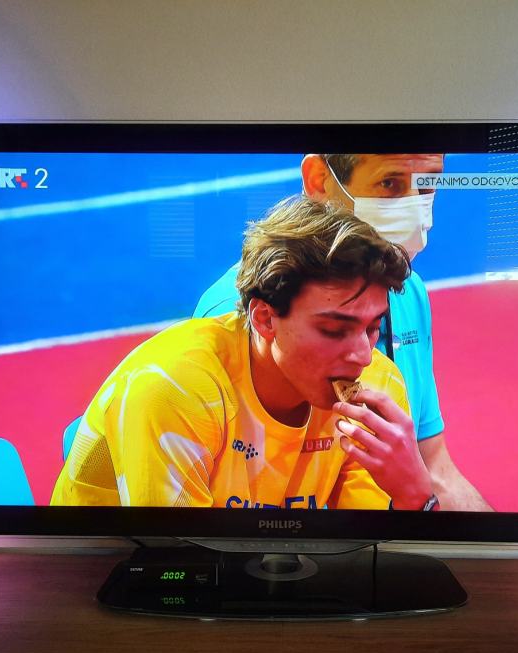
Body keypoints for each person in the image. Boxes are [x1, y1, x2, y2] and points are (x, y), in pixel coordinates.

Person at [50, 197, 437, 510]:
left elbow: (362, 553)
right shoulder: (173, 388)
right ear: (265, 318)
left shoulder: (377, 385)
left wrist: (415, 496)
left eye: (372, 328)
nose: (363, 356)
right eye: (334, 330)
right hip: (104, 573)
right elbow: (179, 562)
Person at [194, 153, 492, 511]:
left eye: (426, 185)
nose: (415, 209)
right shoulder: (240, 317)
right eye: (389, 184)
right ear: (319, 179)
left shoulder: (408, 292)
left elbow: (433, 468)